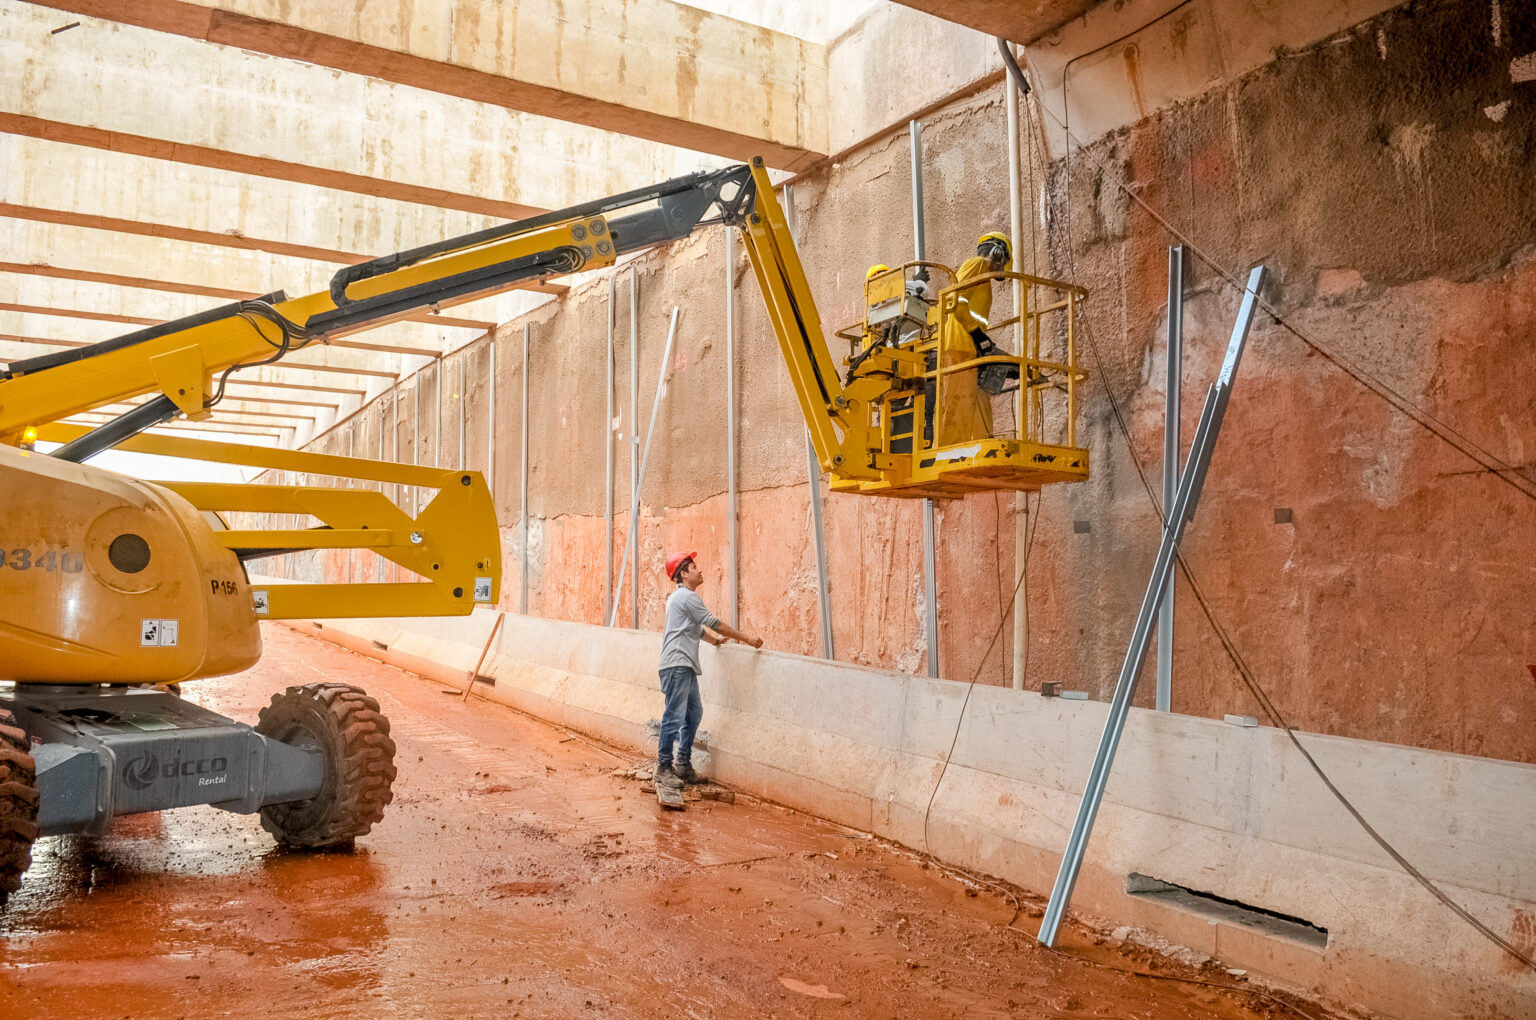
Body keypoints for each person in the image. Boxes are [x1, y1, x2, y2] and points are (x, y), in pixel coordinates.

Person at [656, 551, 763, 788]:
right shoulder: (687, 597)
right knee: (674, 716)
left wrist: (714, 642)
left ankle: (683, 765)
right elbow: (714, 623)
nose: (699, 570)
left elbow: (692, 628)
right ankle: (663, 767)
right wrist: (746, 638)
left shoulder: (678, 599)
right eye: (694, 567)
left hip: (683, 665)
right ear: (683, 573)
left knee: (693, 713)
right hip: (677, 665)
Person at [936, 231, 1015, 445]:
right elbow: (953, 297)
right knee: (959, 404)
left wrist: (985, 345)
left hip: (969, 349)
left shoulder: (983, 280)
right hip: (958, 347)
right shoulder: (978, 264)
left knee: (976, 399)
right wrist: (977, 334)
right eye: (1003, 262)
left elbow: (969, 311)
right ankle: (950, 451)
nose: (1002, 269)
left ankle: (983, 442)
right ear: (998, 253)